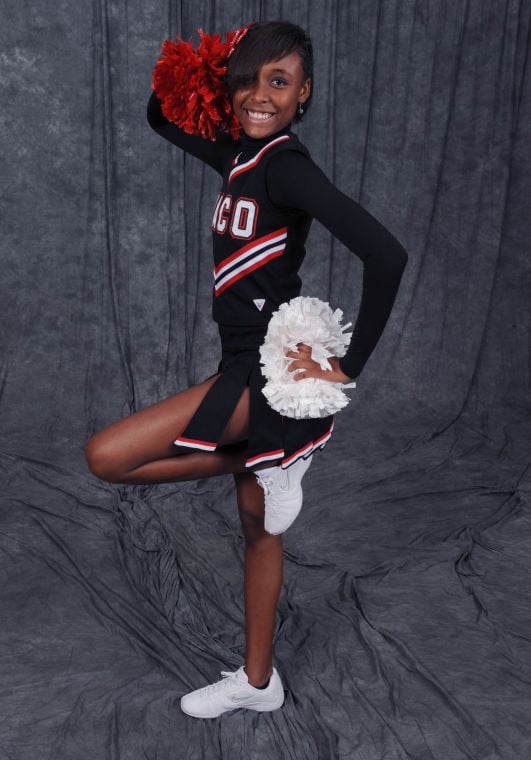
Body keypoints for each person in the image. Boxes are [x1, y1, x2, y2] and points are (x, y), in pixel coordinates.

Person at [85, 20, 408, 719]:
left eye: (279, 81)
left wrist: (343, 369)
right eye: (248, 80)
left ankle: (271, 453)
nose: (260, 95)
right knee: (259, 528)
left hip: (264, 368)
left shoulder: (286, 165)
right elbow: (157, 115)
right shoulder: (239, 155)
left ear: (304, 96)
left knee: (106, 457)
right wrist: (197, 72)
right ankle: (259, 683)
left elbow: (386, 256)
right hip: (239, 359)